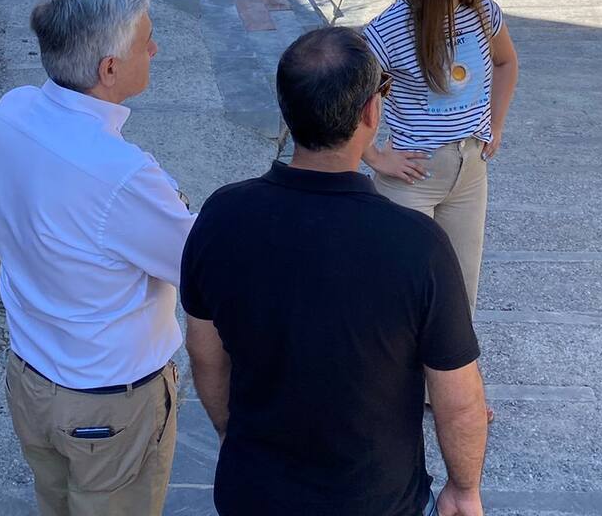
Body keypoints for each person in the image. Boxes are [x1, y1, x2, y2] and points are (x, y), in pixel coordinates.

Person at [181, 26, 488, 516]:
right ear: (371, 112)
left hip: (253, 493)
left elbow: (204, 350)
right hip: (376, 500)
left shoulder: (221, 216)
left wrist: (229, 432)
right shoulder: (417, 244)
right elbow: (459, 396)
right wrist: (464, 487)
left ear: (287, 110)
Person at [0, 0, 193, 516]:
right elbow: (194, 262)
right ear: (109, 70)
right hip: (106, 403)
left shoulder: (14, 109)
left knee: (54, 502)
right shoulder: (122, 175)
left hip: (31, 375)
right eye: (146, 40)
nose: (155, 49)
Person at [362, 0, 518, 314]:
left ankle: (450, 375)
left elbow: (506, 62)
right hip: (412, 178)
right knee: (402, 296)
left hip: (470, 173)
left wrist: (495, 125)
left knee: (460, 295)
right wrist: (376, 157)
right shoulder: (390, 29)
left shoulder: (484, 12)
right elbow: (348, 98)